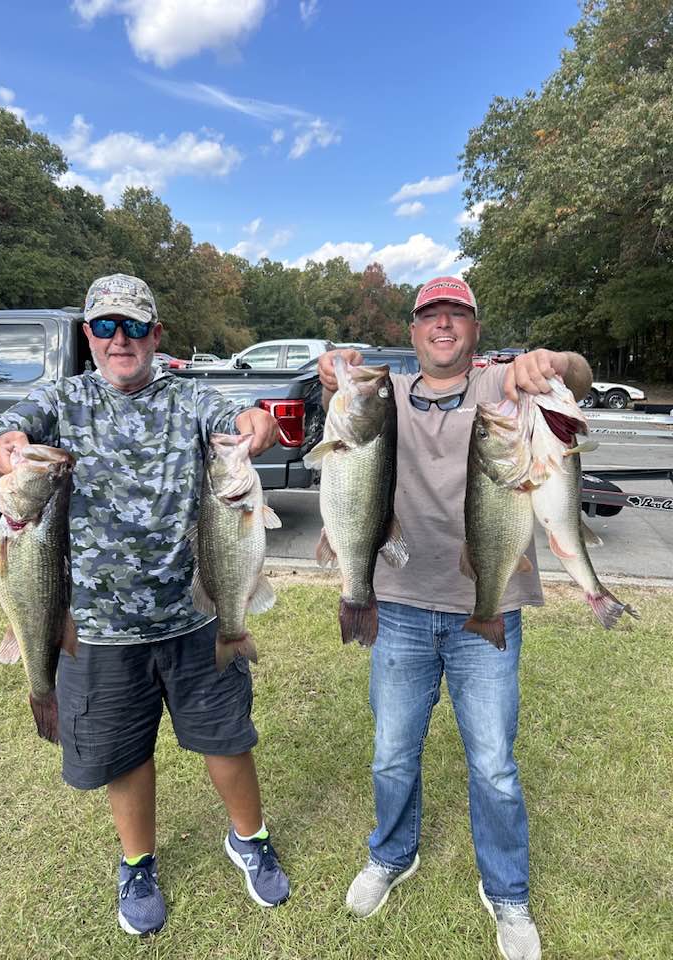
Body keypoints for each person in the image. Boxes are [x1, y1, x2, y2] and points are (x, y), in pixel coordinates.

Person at [0, 274, 290, 936]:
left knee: (226, 739)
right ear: (88, 336)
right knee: (125, 754)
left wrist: (257, 424)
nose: (120, 339)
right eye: (106, 326)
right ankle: (137, 861)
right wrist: (2, 449)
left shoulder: (192, 399)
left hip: (195, 618)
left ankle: (247, 837)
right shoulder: (62, 399)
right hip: (99, 629)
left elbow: (244, 422)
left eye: (135, 326)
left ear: (155, 335)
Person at [317, 276, 592, 960]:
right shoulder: (383, 396)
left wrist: (553, 364)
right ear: (412, 332)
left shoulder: (503, 385)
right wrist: (334, 365)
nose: (443, 325)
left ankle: (507, 894)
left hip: (489, 604)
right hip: (401, 603)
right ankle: (391, 855)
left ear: (474, 329)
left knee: (495, 764)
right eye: (430, 315)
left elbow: (578, 381)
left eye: (457, 315)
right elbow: (337, 380)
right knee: (390, 753)